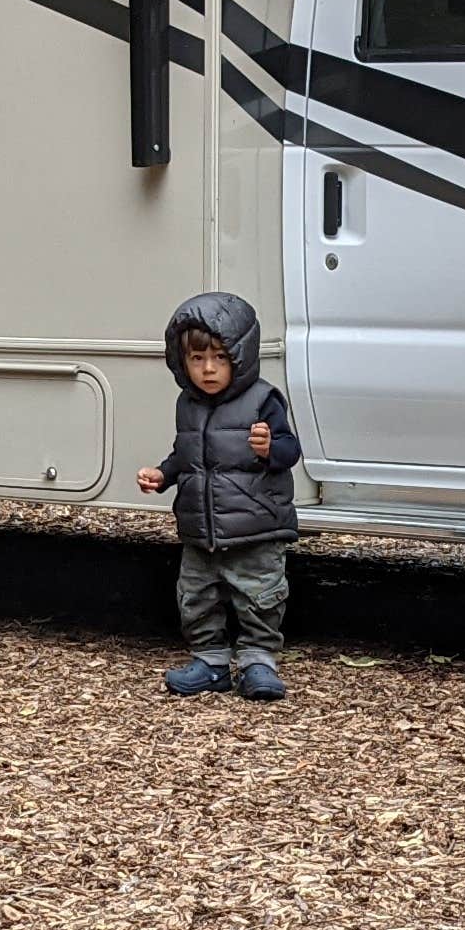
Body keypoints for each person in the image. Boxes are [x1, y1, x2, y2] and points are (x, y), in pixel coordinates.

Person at [133, 292, 303, 699]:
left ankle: (259, 661)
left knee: (258, 597)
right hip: (201, 528)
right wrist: (163, 474)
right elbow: (186, 453)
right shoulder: (187, 405)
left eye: (220, 358)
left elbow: (290, 451)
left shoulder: (263, 399)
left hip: (256, 527)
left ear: (241, 357)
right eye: (197, 359)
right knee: (196, 597)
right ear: (181, 361)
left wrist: (268, 449)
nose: (208, 369)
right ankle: (210, 662)